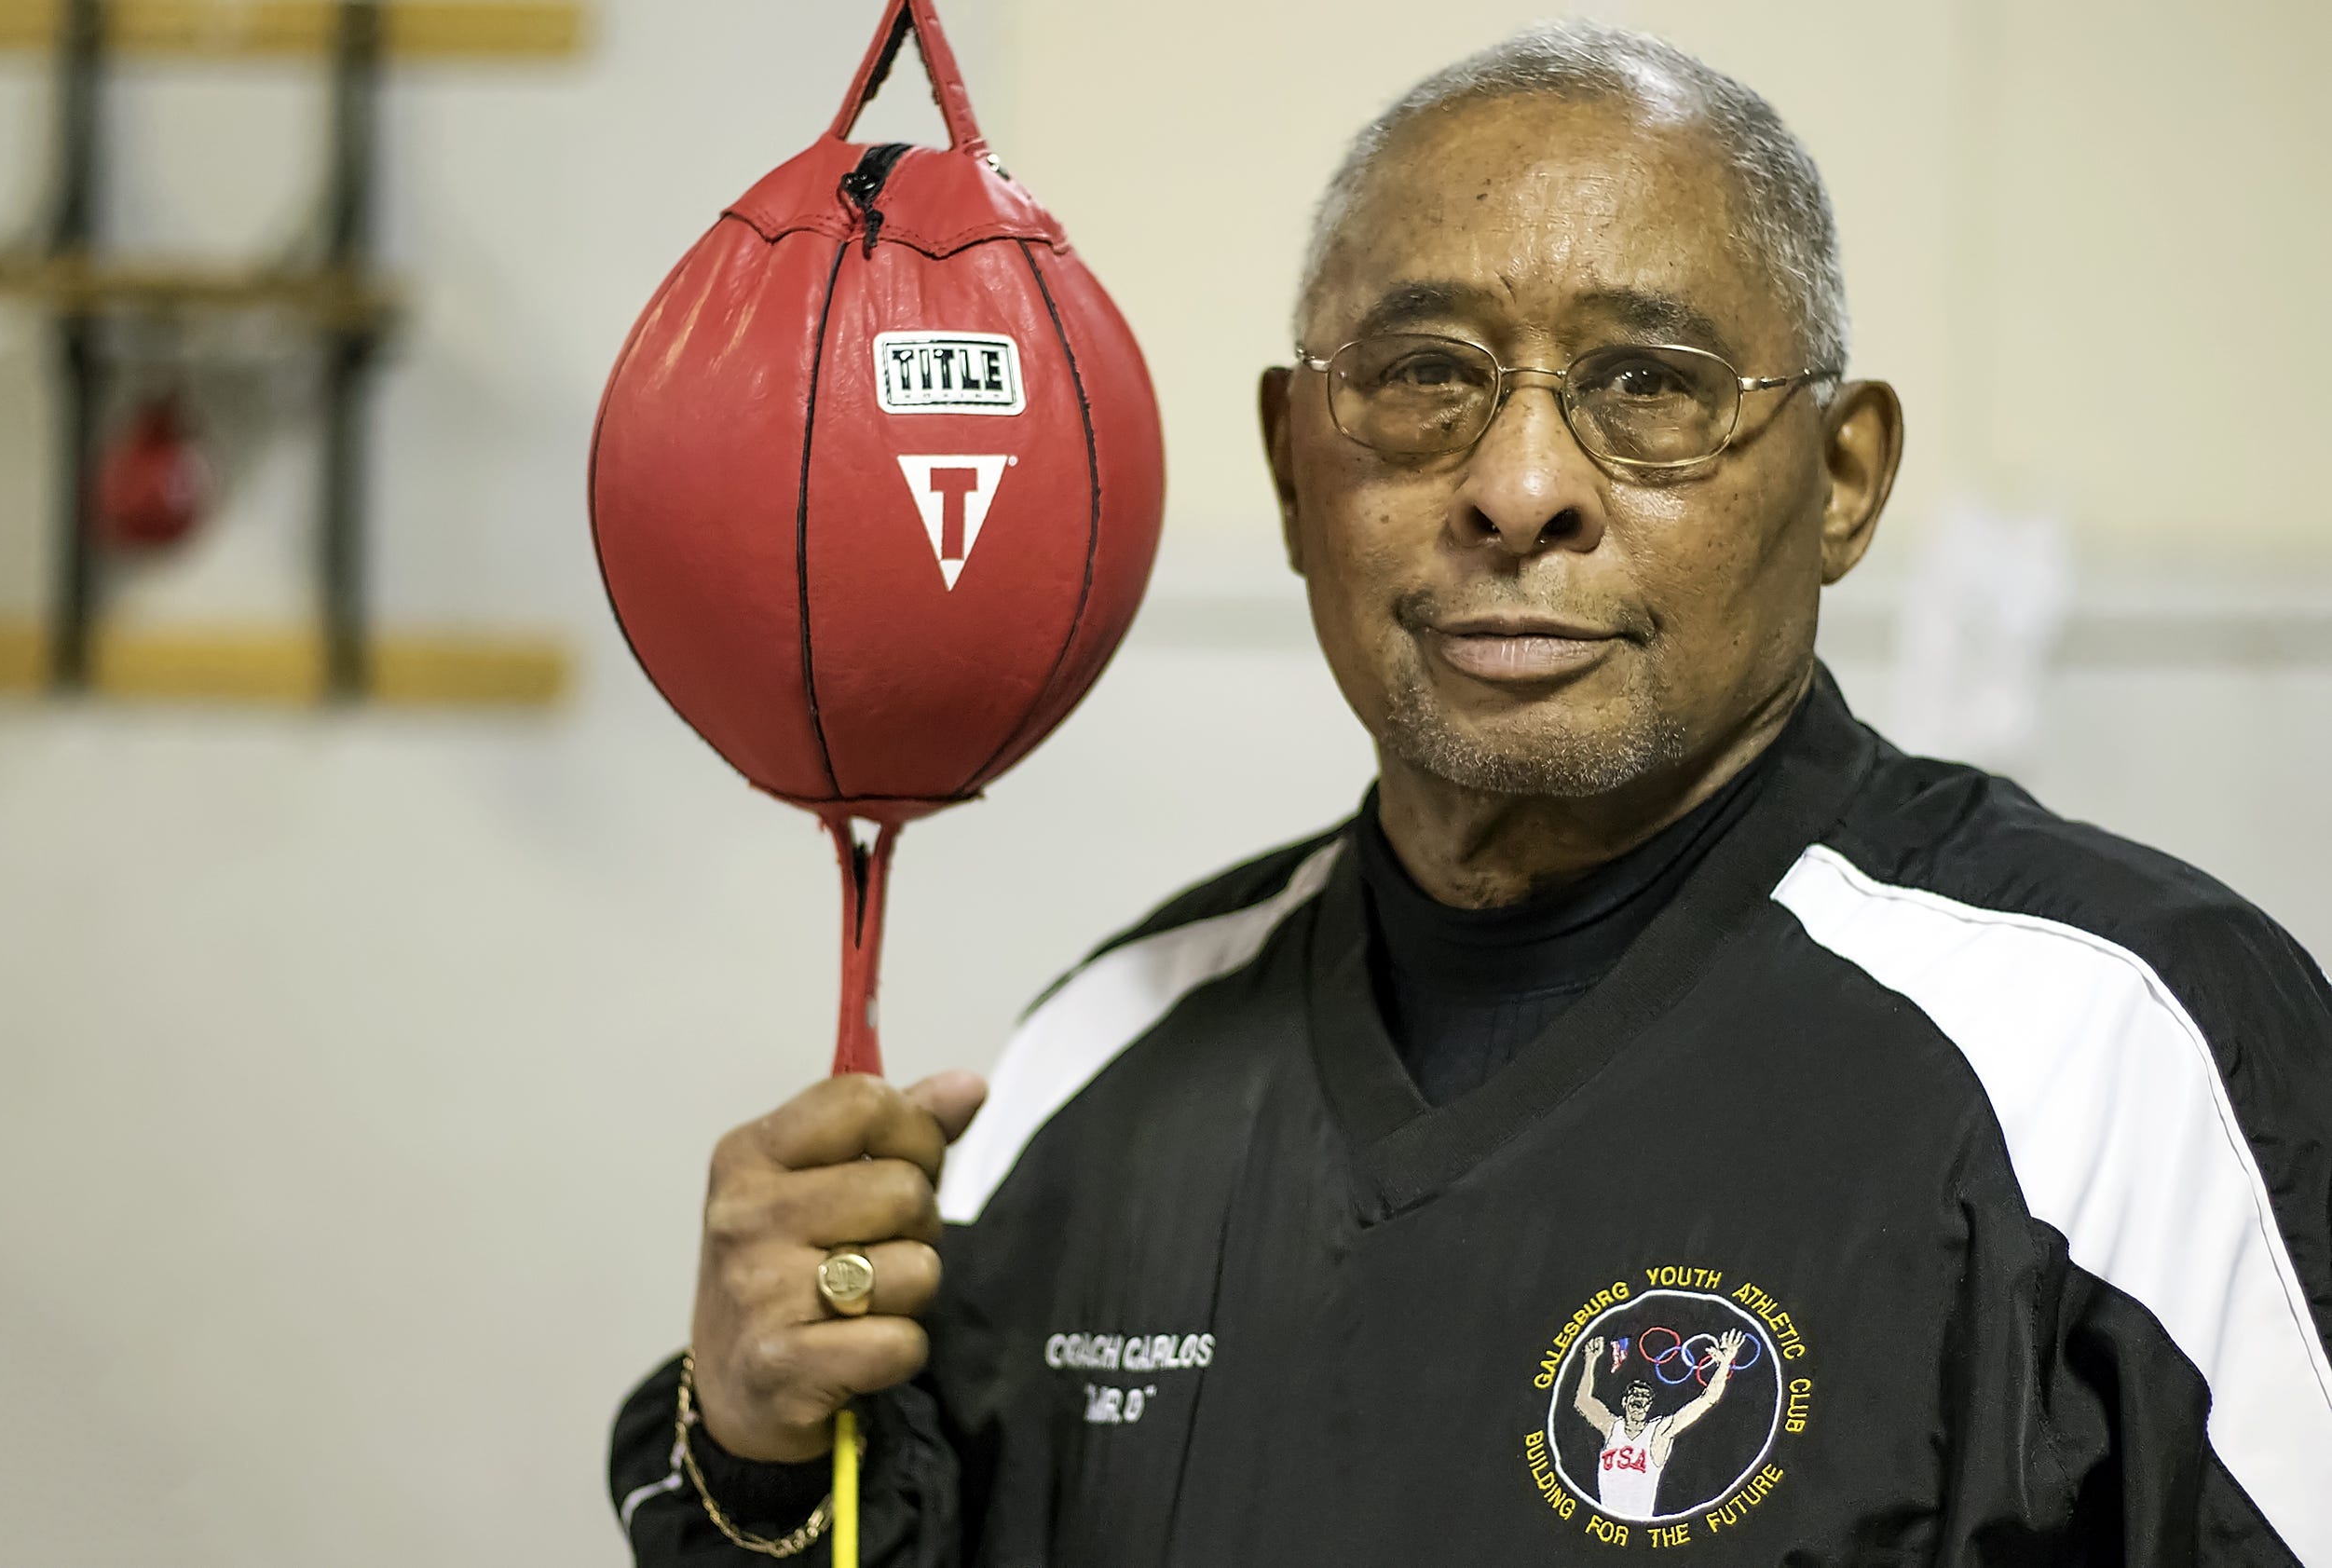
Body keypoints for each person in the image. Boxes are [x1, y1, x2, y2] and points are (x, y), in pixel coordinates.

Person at [610, 20, 2332, 1565]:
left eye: (1647, 387)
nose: (1518, 488)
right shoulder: (1092, 1072)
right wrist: (756, 1450)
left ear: (1842, 478)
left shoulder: (2126, 1052)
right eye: (1425, 375)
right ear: (1296, 468)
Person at [1575, 1330, 1747, 1520]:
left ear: (1649, 1407)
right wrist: (1590, 1360)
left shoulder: (1658, 1433)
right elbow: (1582, 1402)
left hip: (1639, 1527)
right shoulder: (1611, 1426)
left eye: (1645, 1398)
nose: (1639, 1399)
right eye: (1635, 1395)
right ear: (1624, 1401)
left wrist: (1725, 1363)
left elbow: (1707, 1399)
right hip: (1606, 1525)